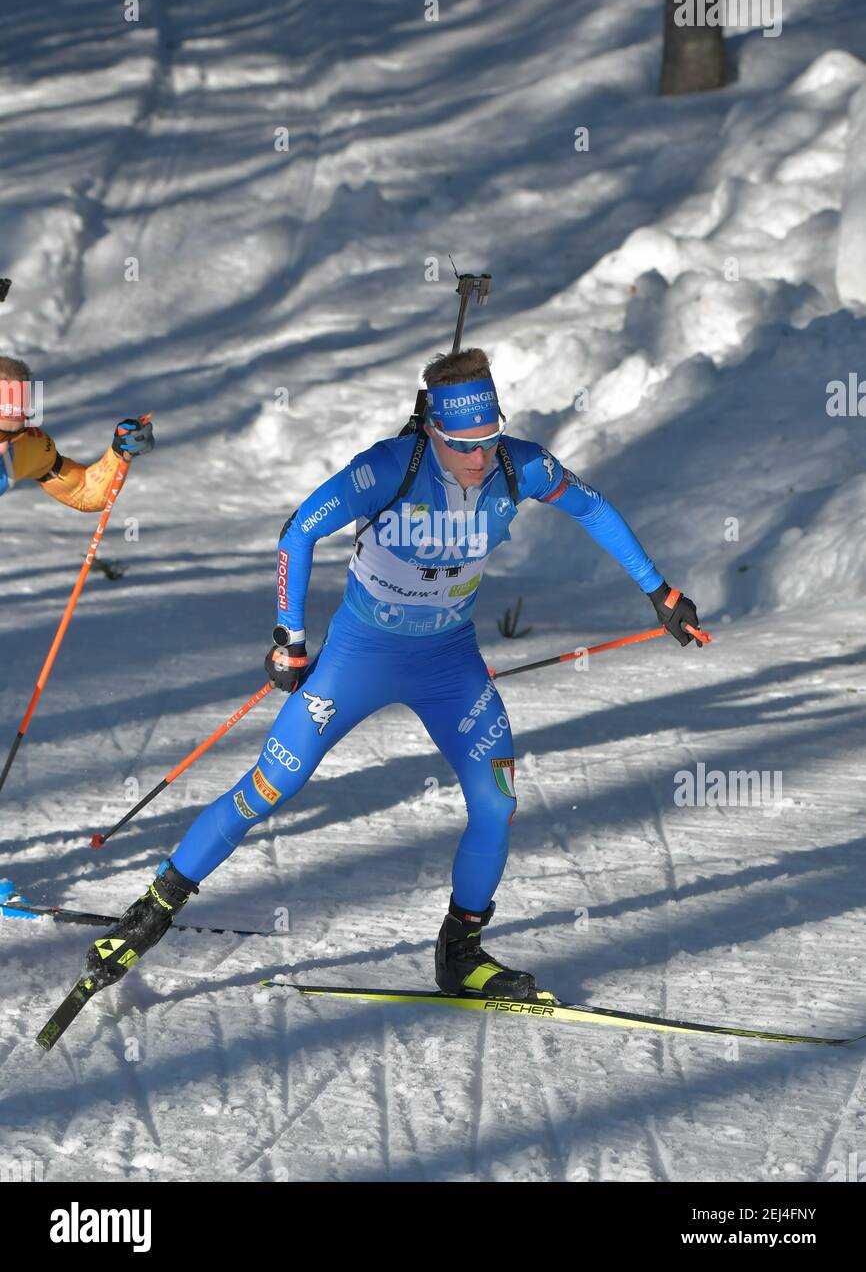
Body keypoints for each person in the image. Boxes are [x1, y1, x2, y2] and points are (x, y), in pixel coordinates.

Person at [75, 347, 702, 1003]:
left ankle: (460, 953)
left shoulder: (523, 466)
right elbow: (297, 532)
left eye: (489, 440)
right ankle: (144, 919)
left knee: (497, 803)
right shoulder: (386, 469)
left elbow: (593, 508)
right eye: (464, 445)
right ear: (432, 431)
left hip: (449, 662)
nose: (480, 459)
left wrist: (659, 592)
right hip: (359, 658)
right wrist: (289, 636)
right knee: (267, 787)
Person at [0, 354, 154, 508]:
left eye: (13, 435)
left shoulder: (25, 448)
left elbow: (84, 493)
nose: (4, 447)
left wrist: (119, 452)